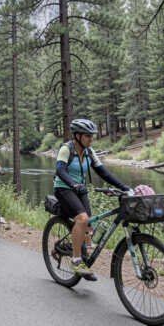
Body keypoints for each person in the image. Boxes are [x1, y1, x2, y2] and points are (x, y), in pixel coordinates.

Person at [54, 119, 131, 281]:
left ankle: (80, 255)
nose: (91, 139)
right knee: (82, 219)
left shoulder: (89, 152)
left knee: (89, 224)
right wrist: (73, 184)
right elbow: (60, 170)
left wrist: (125, 188)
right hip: (64, 188)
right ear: (77, 136)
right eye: (88, 136)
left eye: (92, 136)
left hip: (79, 189)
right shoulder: (66, 149)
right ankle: (76, 261)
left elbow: (104, 173)